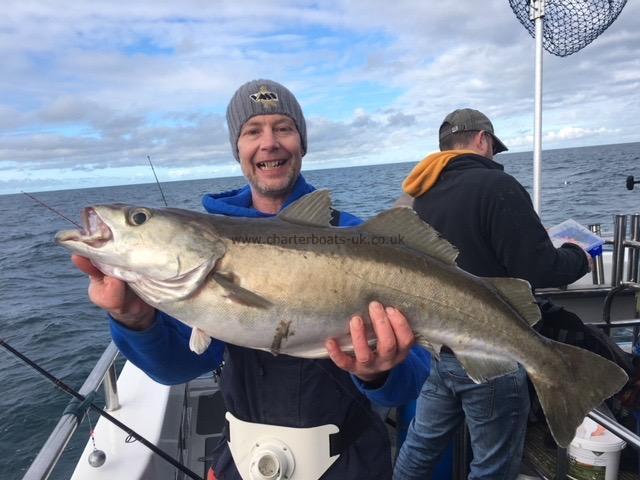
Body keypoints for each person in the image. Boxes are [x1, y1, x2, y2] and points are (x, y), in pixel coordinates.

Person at [71, 79, 431, 480]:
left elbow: (410, 384)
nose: (269, 142)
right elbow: (176, 368)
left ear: (302, 142)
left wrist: (378, 371)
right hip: (242, 462)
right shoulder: (197, 258)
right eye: (252, 131)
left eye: (284, 128)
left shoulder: (357, 240)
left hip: (349, 463)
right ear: (238, 149)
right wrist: (134, 319)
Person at [393, 108, 590, 480]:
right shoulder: (497, 186)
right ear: (483, 140)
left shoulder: (419, 194)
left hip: (441, 350)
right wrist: (579, 256)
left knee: (420, 445)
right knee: (493, 463)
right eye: (493, 148)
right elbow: (538, 269)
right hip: (492, 349)